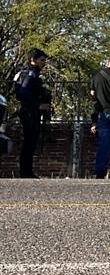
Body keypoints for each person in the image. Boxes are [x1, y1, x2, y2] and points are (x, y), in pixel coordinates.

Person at [13, 48, 52, 178]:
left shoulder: (24, 72)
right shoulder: (30, 73)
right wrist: (38, 104)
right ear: (33, 60)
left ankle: (27, 171)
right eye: (41, 60)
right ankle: (26, 172)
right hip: (30, 112)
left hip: (29, 111)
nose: (44, 63)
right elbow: (22, 92)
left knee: (30, 142)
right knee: (30, 142)